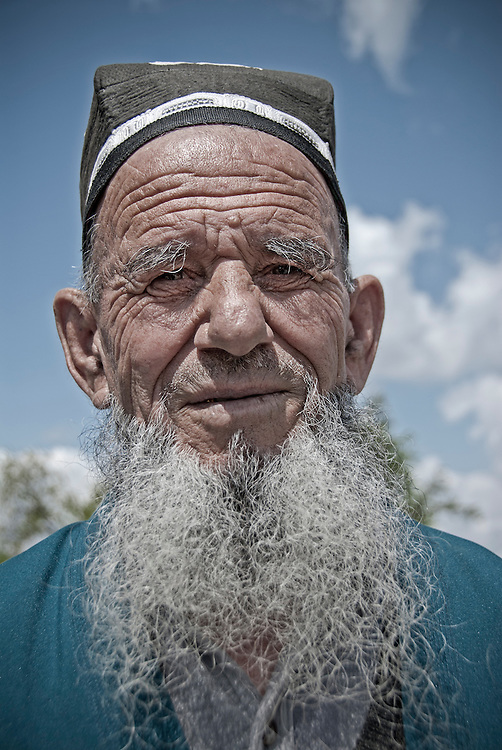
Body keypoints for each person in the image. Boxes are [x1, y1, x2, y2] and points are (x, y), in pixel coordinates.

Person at [0, 62, 500, 750]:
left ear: (357, 334)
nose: (237, 325)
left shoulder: (490, 615)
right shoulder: (13, 643)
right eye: (168, 275)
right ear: (90, 350)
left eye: (286, 269)